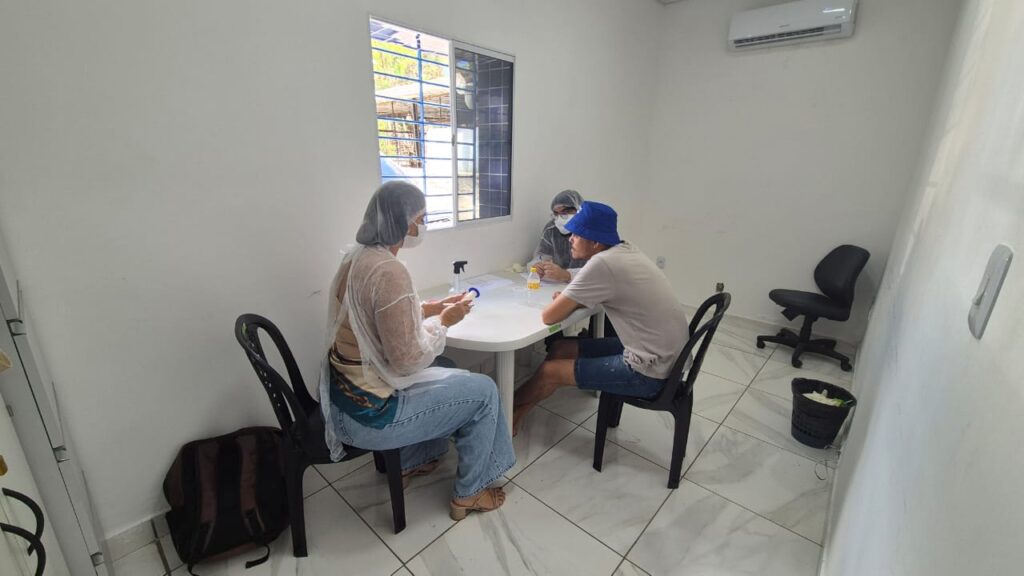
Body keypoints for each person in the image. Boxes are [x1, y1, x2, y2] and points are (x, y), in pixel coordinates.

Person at [319, 181, 514, 521]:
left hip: (344, 398)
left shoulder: (356, 257)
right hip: (371, 417)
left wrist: (431, 307)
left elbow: (376, 317)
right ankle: (469, 494)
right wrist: (445, 321)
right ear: (402, 223)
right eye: (420, 219)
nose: (422, 226)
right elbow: (408, 361)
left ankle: (413, 459)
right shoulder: (389, 270)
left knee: (446, 362)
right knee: (484, 391)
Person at [511, 201, 690, 435]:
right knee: (560, 348)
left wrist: (564, 301)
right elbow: (598, 290)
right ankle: (516, 417)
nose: (570, 239)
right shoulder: (625, 250)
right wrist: (569, 299)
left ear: (595, 242)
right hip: (668, 358)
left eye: (577, 235)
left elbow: (549, 316)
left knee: (548, 372)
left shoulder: (602, 263)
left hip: (651, 373)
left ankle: (504, 410)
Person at [531, 189, 587, 283]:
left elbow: (601, 271)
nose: (560, 219)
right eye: (556, 214)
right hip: (559, 284)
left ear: (579, 210)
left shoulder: (591, 230)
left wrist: (567, 275)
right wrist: (537, 266)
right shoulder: (552, 229)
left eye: (565, 212)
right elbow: (541, 255)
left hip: (589, 286)